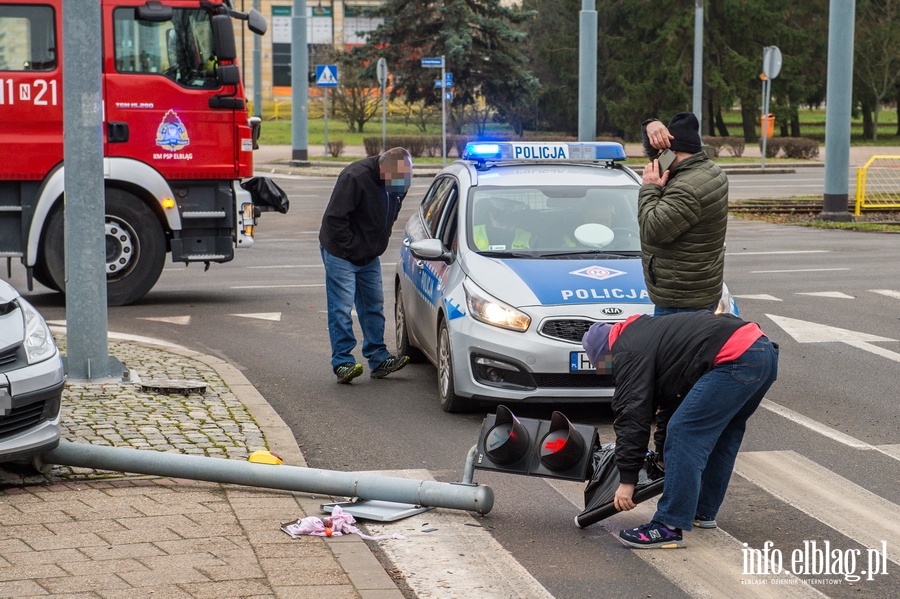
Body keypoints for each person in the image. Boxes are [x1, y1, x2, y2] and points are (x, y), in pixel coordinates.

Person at [581, 311, 778, 549]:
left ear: (605, 354)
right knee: (723, 436)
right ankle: (702, 512)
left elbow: (632, 417)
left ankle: (668, 526)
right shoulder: (646, 336)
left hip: (735, 358)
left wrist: (627, 481)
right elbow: (673, 403)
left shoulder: (627, 352)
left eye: (604, 366)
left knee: (684, 433)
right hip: (761, 353)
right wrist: (664, 458)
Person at [319, 147, 413, 384]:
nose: (401, 184)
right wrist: (353, 248)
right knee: (341, 308)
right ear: (383, 170)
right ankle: (343, 362)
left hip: (369, 254)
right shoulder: (355, 177)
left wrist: (375, 244)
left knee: (373, 306)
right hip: (341, 252)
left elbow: (394, 208)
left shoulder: (399, 180)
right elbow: (334, 219)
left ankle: (378, 358)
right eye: (397, 179)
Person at [639, 112, 729, 316]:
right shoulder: (709, 171)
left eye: (660, 153)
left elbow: (652, 229)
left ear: (670, 152)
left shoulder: (687, 187)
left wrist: (650, 188)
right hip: (697, 290)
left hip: (680, 300)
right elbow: (655, 152)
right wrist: (650, 126)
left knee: (672, 349)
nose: (656, 158)